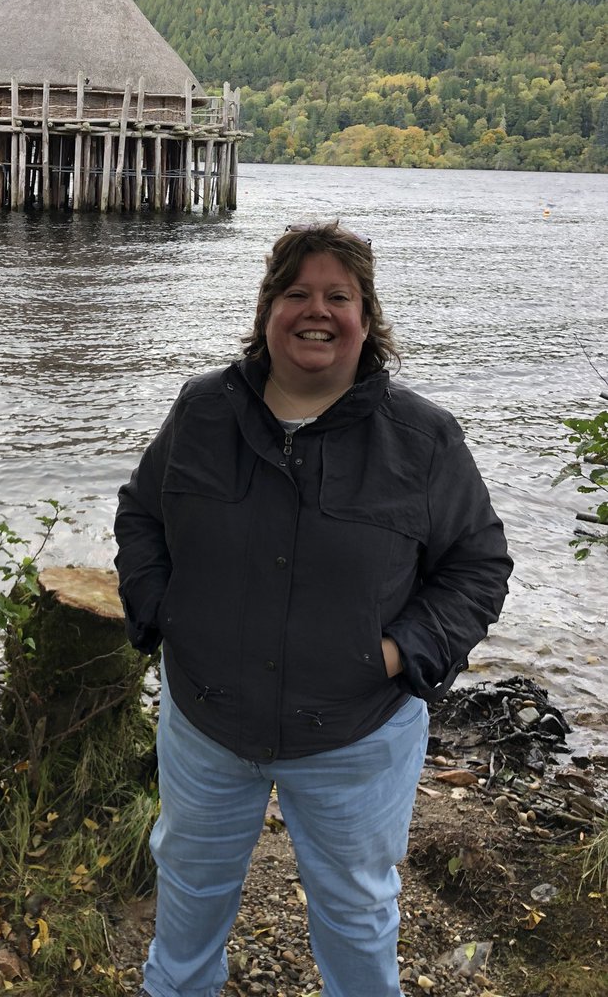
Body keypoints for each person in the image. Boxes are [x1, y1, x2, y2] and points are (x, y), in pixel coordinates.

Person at [114, 220, 512, 997]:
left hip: (357, 735)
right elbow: (141, 515)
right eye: (296, 293)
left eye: (339, 295)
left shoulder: (423, 439)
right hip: (206, 724)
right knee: (190, 891)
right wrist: (165, 615)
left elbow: (478, 566)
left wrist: (391, 656)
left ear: (368, 318)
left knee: (357, 910)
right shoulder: (202, 410)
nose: (316, 310)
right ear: (268, 311)